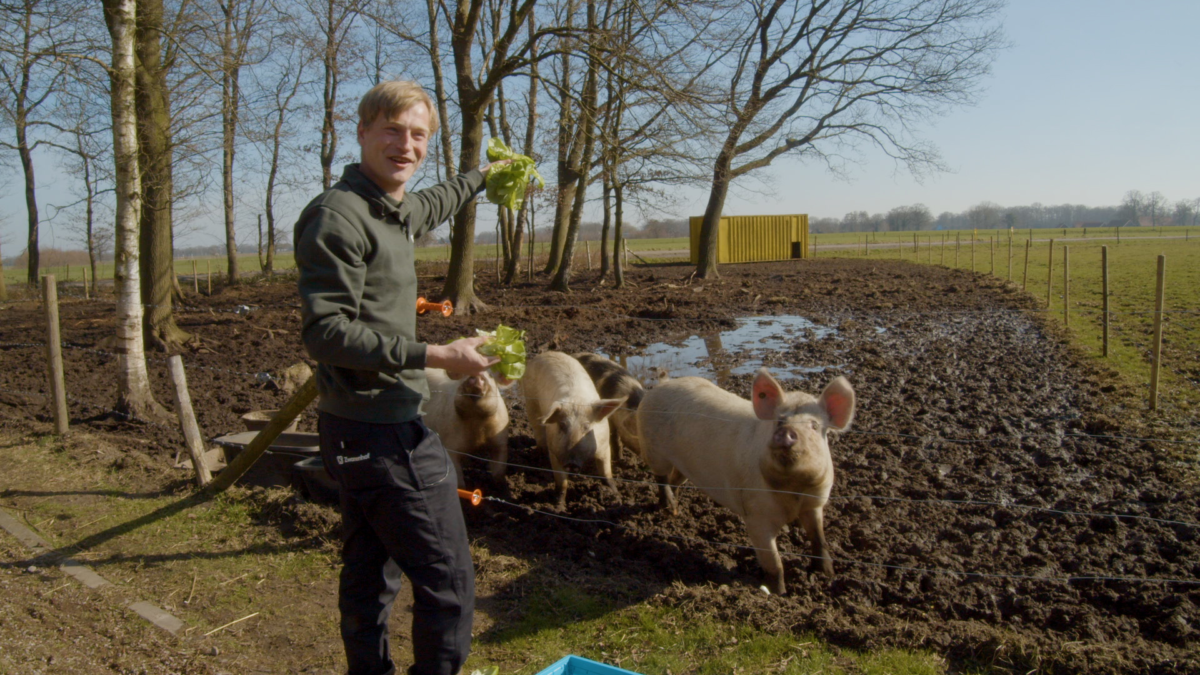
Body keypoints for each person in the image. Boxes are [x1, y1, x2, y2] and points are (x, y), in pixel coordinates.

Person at [294, 80, 503, 675]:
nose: (405, 145)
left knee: (369, 577)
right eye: (392, 130)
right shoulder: (338, 217)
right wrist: (437, 356)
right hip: (383, 434)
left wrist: (484, 176)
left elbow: (433, 202)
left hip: (353, 428)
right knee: (451, 584)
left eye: (418, 135)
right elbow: (325, 333)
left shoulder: (390, 209)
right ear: (361, 132)